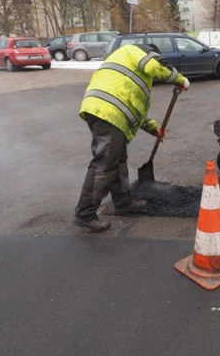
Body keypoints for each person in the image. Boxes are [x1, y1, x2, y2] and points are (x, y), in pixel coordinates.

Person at [73, 44, 190, 233]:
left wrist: (154, 129)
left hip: (106, 110)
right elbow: (157, 66)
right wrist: (180, 79)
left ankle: (123, 204)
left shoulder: (127, 68)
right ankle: (85, 212)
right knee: (105, 163)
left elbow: (134, 110)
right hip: (107, 111)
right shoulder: (136, 51)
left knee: (117, 160)